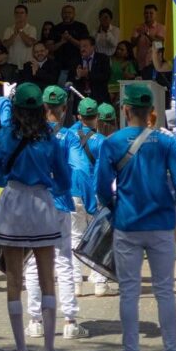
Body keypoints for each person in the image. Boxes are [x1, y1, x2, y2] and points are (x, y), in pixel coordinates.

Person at [97, 83, 176, 351]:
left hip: (128, 223)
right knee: (165, 291)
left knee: (129, 292)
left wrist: (113, 207)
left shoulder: (111, 143)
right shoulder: (164, 143)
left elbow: (101, 187)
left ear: (125, 110)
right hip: (161, 223)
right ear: (151, 112)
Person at [0, 82, 71, 351]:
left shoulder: (3, 135)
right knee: (48, 278)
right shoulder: (51, 138)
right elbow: (63, 179)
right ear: (42, 108)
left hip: (13, 203)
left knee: (14, 281)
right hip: (41, 204)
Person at [22, 86, 87, 341]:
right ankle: (70, 321)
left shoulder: (28, 134)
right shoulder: (69, 136)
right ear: (62, 109)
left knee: (32, 262)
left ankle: (35, 321)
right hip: (59, 203)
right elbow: (80, 168)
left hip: (33, 203)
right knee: (63, 261)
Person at [69, 99, 109, 298]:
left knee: (75, 236)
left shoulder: (70, 136)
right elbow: (103, 171)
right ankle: (99, 282)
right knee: (97, 235)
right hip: (94, 193)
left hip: (73, 192)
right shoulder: (101, 140)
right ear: (97, 117)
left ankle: (76, 283)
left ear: (79, 116)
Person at [49, 5, 89, 74]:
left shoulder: (81, 27)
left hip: (77, 64)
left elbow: (85, 47)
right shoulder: (55, 28)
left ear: (74, 14)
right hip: (60, 64)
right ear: (61, 14)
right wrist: (62, 42)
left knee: (76, 84)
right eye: (65, 13)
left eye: (69, 13)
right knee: (61, 83)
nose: (67, 15)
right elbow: (49, 48)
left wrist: (70, 38)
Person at [72, 37, 111, 104]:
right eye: (80, 46)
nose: (82, 49)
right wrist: (78, 76)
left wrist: (88, 74)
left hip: (99, 97)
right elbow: (70, 78)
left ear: (93, 47)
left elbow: (105, 76)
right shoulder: (75, 60)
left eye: (85, 46)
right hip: (81, 98)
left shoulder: (103, 58)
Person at [131, 4, 166, 71]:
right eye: (146, 13)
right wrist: (139, 35)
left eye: (151, 13)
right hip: (140, 63)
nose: (148, 15)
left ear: (156, 14)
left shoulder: (161, 28)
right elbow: (132, 44)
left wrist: (146, 34)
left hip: (154, 64)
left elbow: (159, 44)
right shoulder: (138, 27)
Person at [2, 5, 38, 70]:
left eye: (22, 13)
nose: (19, 15)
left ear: (26, 15)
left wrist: (20, 30)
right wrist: (15, 34)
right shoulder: (8, 29)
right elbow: (5, 45)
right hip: (12, 64)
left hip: (27, 64)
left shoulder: (32, 28)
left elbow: (29, 43)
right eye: (17, 13)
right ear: (14, 15)